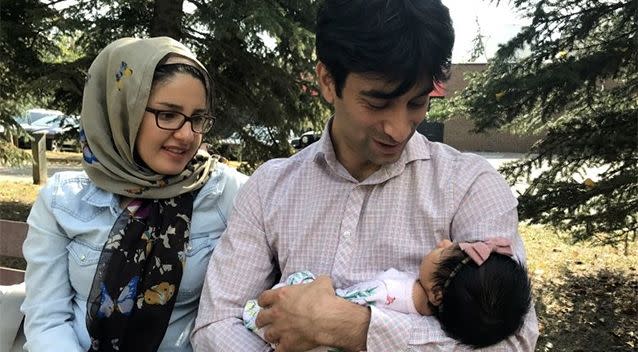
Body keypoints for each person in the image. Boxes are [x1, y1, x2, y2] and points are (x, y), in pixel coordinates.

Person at [192, 0, 539, 351]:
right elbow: (216, 323)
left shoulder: (469, 186)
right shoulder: (269, 187)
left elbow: (513, 340)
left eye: (417, 102)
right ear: (328, 81)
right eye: (377, 103)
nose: (399, 128)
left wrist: (353, 328)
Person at [20, 37, 247, 352]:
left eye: (197, 118)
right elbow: (46, 320)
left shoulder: (227, 193)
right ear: (125, 110)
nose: (186, 135)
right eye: (167, 115)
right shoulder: (64, 200)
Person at [242, 238, 531, 349]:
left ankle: (255, 317)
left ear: (437, 294)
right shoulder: (430, 324)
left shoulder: (392, 294)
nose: (444, 241)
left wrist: (320, 287)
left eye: (446, 250)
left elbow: (340, 305)